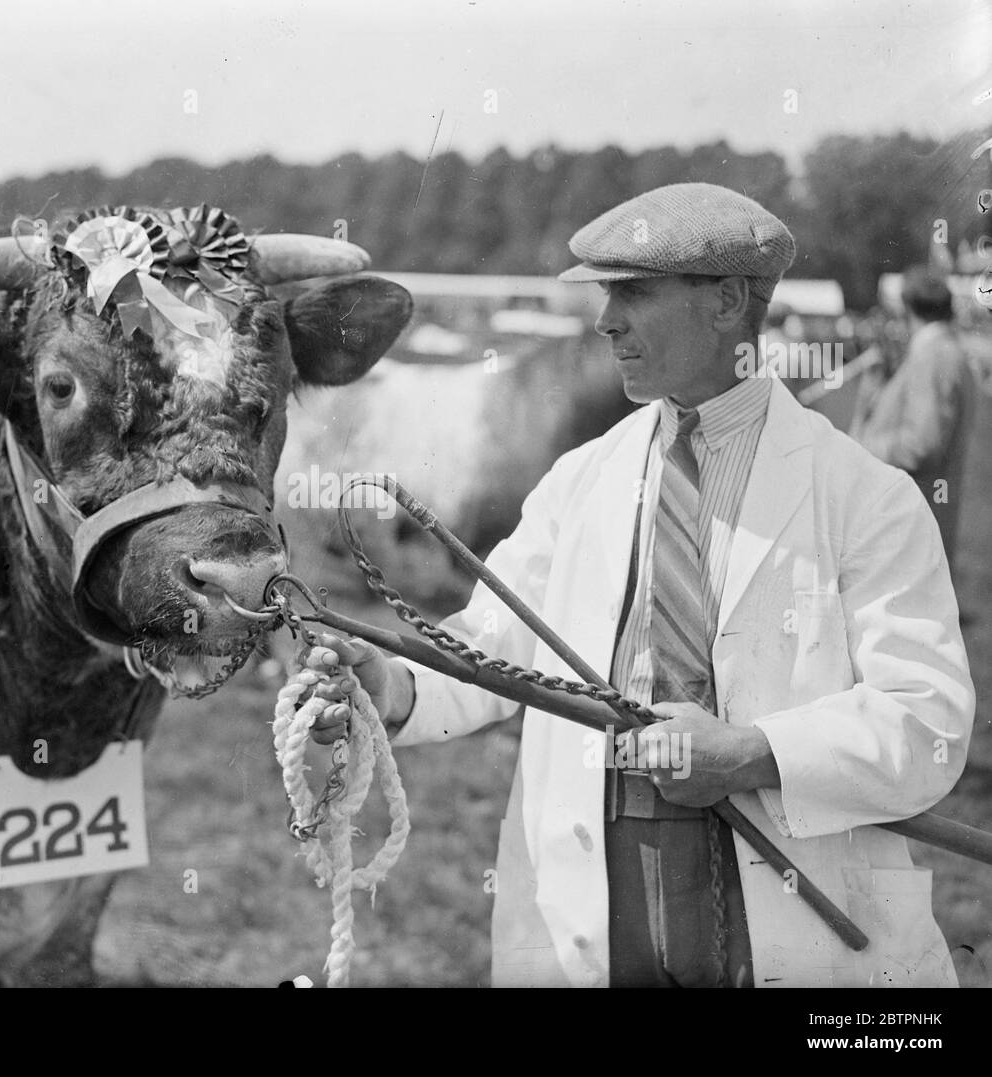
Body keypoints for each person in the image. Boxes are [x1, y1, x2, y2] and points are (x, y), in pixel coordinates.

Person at [304, 183, 974, 988]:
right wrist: (393, 684)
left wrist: (757, 753)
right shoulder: (579, 480)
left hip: (800, 924)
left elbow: (927, 721)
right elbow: (494, 654)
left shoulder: (866, 496)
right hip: (592, 918)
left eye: (633, 292)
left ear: (728, 302)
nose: (604, 321)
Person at [849, 267, 976, 564]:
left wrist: (859, 447)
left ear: (906, 307)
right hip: (924, 518)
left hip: (910, 526)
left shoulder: (930, 353)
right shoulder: (946, 350)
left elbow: (919, 445)